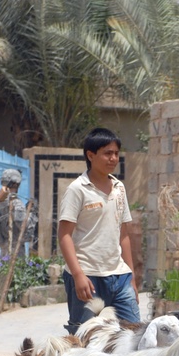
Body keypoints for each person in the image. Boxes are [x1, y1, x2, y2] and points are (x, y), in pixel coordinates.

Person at [58, 127, 141, 334]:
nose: (113, 158)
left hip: (119, 277)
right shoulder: (77, 189)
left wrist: (131, 276)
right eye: (107, 153)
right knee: (83, 338)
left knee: (134, 334)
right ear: (90, 155)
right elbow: (64, 235)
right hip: (88, 277)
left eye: (116, 153)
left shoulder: (119, 188)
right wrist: (78, 275)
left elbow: (123, 234)